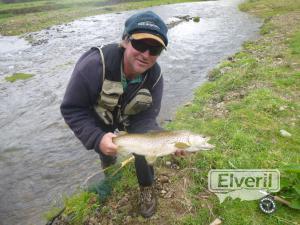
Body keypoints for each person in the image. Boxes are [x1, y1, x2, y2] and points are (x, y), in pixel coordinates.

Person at [60, 10, 184, 218]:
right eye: (140, 45)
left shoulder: (155, 77)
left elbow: (146, 119)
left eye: (154, 50)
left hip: (132, 116)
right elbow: (72, 109)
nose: (146, 54)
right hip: (100, 116)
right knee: (106, 147)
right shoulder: (92, 66)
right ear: (126, 41)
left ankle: (146, 188)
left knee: (145, 147)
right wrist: (97, 139)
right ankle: (108, 168)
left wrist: (164, 140)